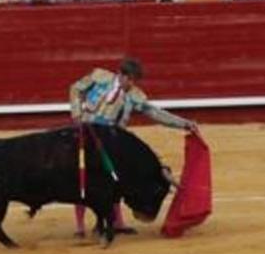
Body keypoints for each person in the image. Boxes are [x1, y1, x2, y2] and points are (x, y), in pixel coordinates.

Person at [68, 58, 198, 237]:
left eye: (134, 81)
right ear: (120, 74)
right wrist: (76, 113)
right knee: (83, 177)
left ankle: (118, 223)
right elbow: (76, 88)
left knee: (116, 181)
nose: (131, 84)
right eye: (129, 79)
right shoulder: (100, 76)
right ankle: (79, 227)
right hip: (86, 134)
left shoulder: (134, 95)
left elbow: (155, 113)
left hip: (113, 141)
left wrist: (183, 124)